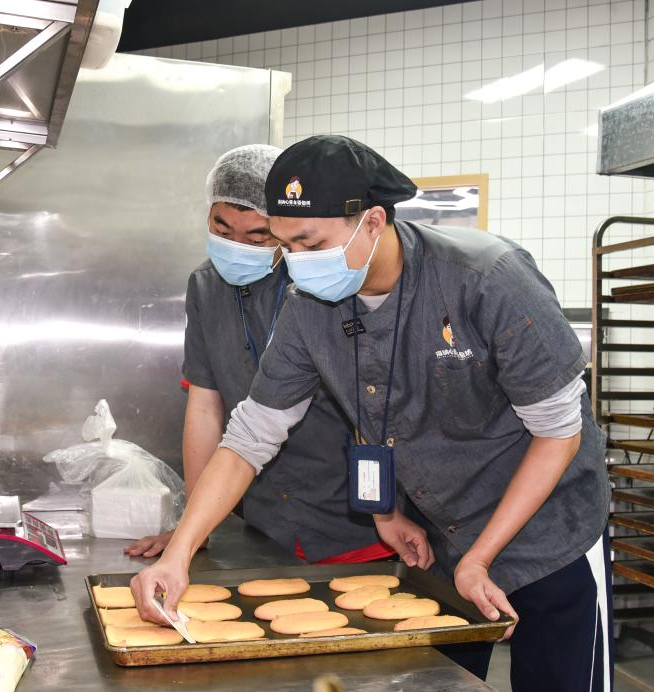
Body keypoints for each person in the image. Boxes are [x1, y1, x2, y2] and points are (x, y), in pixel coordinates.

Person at [132, 136, 614, 692]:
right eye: (285, 246)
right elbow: (253, 436)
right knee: (445, 683)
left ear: (373, 221)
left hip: (551, 533)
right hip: (445, 537)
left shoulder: (484, 278)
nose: (297, 263)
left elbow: (558, 432)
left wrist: (481, 557)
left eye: (311, 244)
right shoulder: (309, 308)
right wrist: (180, 552)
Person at [125, 144, 408, 566]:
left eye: (257, 236)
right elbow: (204, 407)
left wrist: (387, 509)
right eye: (222, 231)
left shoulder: (328, 278)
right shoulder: (206, 286)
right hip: (266, 523)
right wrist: (192, 530)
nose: (237, 246)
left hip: (355, 520)